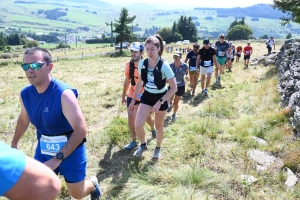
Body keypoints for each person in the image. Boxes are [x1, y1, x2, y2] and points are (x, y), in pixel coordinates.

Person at [11, 47, 102, 200]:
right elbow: (23, 119)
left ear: (50, 67)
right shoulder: (25, 94)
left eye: (35, 65)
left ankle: (93, 184)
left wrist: (57, 158)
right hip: (45, 147)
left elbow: (81, 130)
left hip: (71, 147)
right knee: (37, 189)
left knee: (77, 194)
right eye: (25, 66)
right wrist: (14, 145)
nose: (29, 70)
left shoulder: (64, 94)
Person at [129, 34, 177, 159]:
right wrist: (133, 100)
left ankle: (158, 148)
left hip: (161, 97)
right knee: (138, 124)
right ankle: (143, 145)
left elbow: (174, 88)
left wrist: (160, 102)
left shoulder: (164, 66)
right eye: (147, 49)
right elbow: (139, 83)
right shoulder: (142, 64)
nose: (149, 52)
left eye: (152, 49)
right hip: (147, 96)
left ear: (158, 48)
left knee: (159, 126)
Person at [122, 42, 156, 150]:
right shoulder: (129, 65)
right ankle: (134, 140)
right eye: (131, 51)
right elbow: (127, 81)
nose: (133, 53)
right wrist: (123, 96)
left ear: (141, 52)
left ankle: (152, 127)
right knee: (131, 116)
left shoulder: (149, 65)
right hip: (132, 94)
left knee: (147, 119)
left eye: (135, 51)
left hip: (146, 96)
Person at [167, 51, 189, 120]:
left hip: (180, 86)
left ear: (181, 57)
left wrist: (187, 76)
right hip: (171, 85)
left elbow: (187, 73)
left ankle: (174, 114)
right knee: (170, 100)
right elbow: (166, 74)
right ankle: (170, 106)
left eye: (178, 57)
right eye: (174, 57)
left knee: (176, 102)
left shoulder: (184, 65)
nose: (176, 58)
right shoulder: (170, 65)